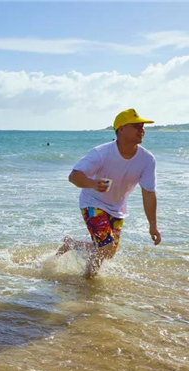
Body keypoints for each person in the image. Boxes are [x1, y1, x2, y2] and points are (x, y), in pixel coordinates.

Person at [57, 108, 161, 277]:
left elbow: (149, 193)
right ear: (121, 129)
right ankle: (88, 281)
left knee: (109, 252)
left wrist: (153, 225)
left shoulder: (147, 160)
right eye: (137, 126)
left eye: (143, 126)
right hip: (93, 203)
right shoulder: (101, 153)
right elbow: (74, 176)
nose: (142, 130)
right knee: (105, 247)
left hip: (117, 208)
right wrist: (92, 183)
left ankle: (72, 244)